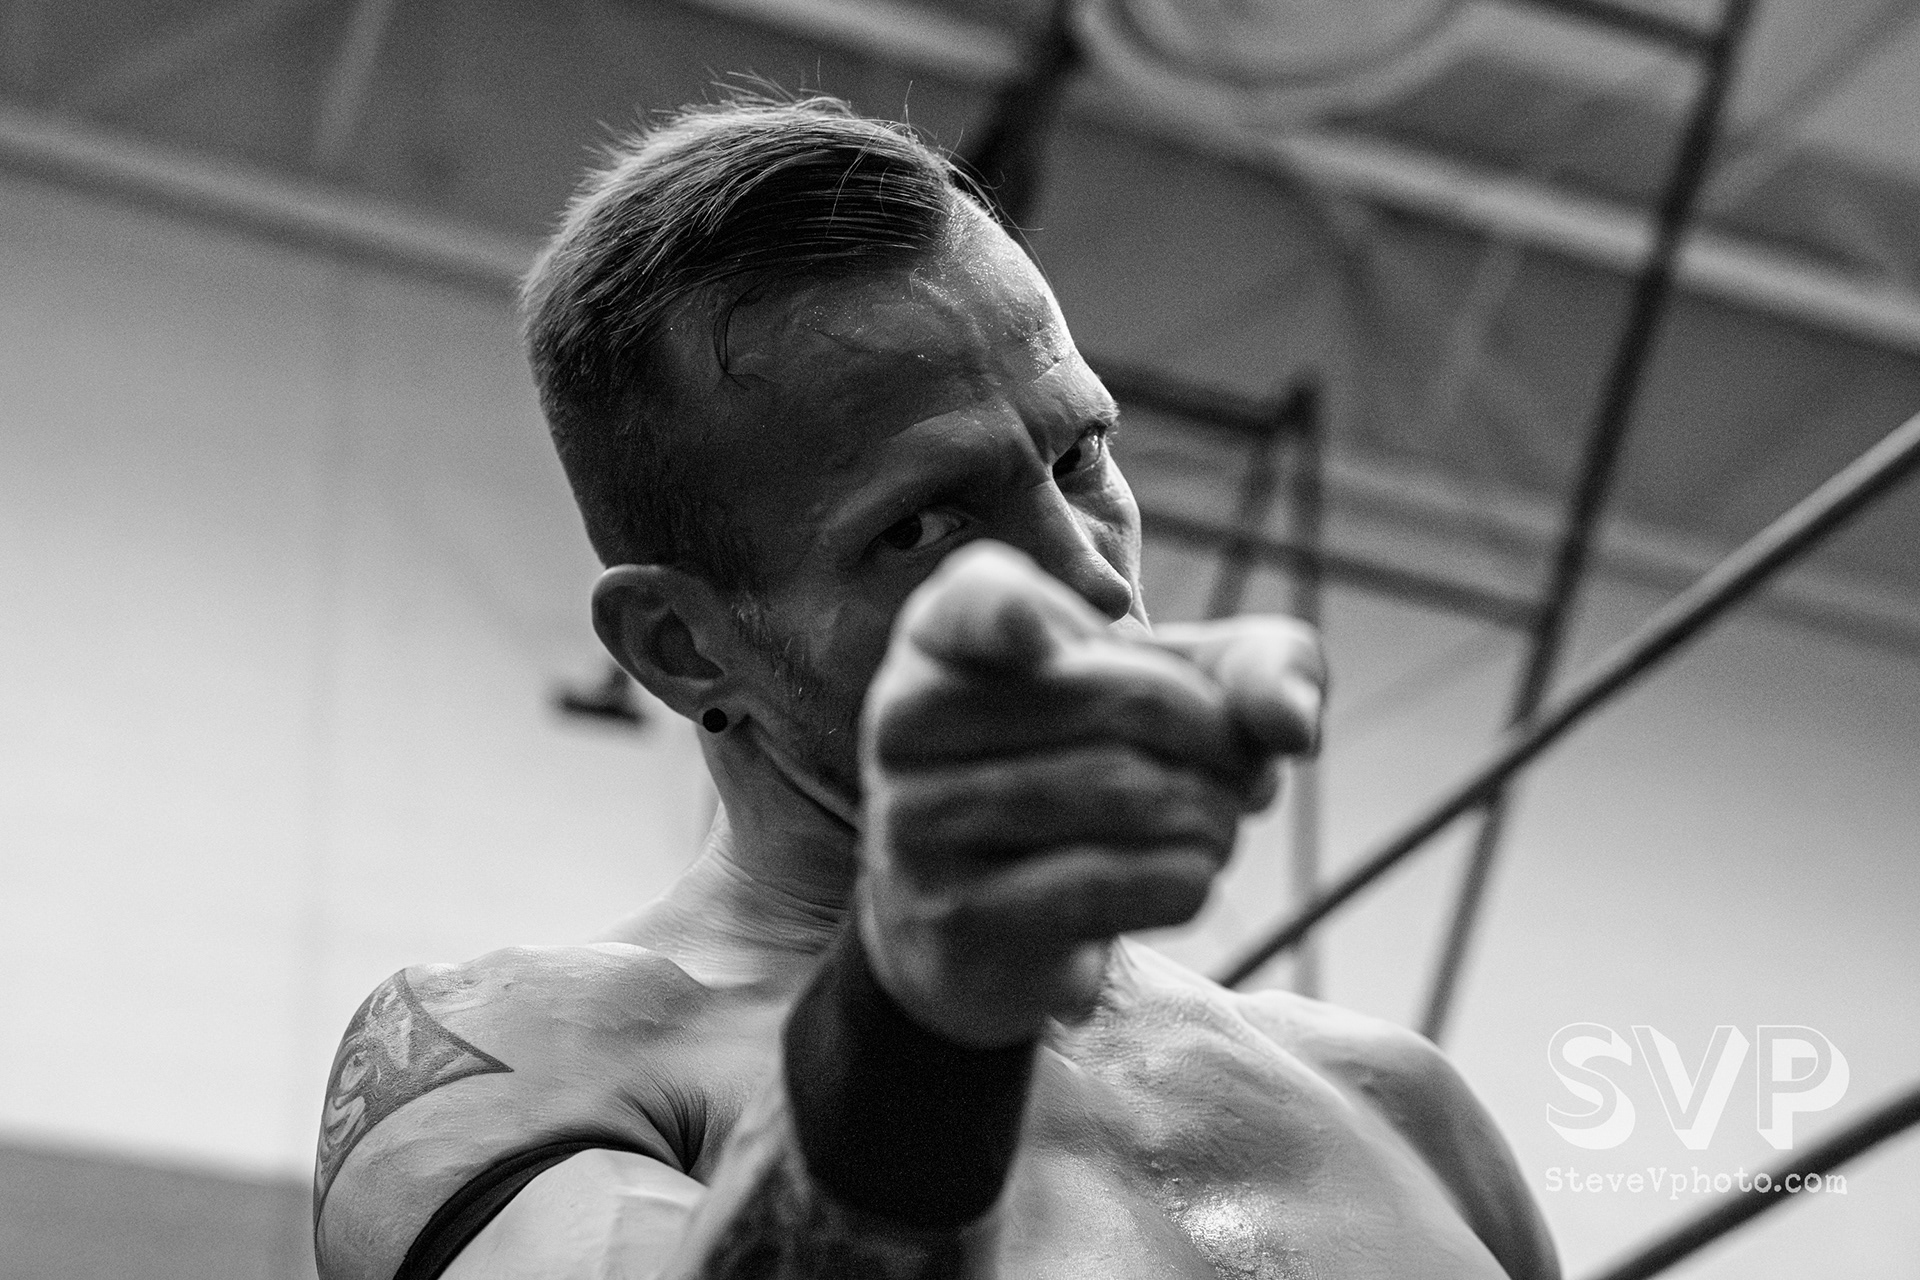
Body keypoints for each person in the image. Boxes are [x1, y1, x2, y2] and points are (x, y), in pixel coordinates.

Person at [311, 95, 1559, 1280]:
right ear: (683, 646)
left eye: (1079, 456)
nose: (1089, 576)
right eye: (922, 524)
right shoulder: (532, 1054)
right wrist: (917, 1027)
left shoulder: (1400, 1102)